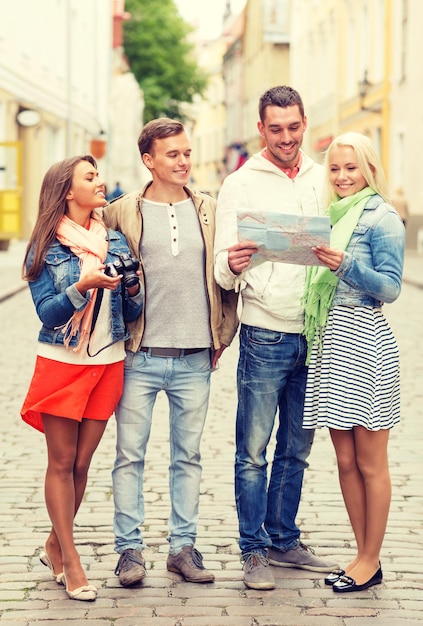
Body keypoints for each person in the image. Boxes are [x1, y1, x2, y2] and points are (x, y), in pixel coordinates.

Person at [102, 117, 239, 588]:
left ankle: (183, 547)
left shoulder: (211, 209)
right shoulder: (120, 212)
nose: (184, 161)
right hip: (139, 355)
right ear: (149, 160)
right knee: (128, 456)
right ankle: (128, 551)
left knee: (188, 456)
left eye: (186, 152)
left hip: (195, 357)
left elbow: (226, 273)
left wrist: (222, 333)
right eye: (173, 154)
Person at [214, 85, 338, 590]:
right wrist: (233, 264)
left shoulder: (323, 177)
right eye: (275, 128)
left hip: (316, 331)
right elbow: (221, 269)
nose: (286, 138)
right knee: (253, 449)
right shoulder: (239, 184)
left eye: (293, 127)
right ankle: (253, 549)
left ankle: (284, 538)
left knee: (297, 448)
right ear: (260, 129)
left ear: (304, 123)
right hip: (266, 332)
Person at [20, 155, 143, 602]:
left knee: (82, 464)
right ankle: (71, 561)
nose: (101, 182)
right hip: (61, 362)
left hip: (107, 361)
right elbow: (48, 313)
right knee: (60, 462)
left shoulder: (115, 241)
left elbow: (133, 312)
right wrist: (83, 286)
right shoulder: (44, 246)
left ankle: (54, 545)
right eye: (90, 177)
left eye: (99, 175)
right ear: (67, 191)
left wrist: (131, 289)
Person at [302, 132, 405, 593]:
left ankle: (369, 557)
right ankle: (363, 554)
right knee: (344, 459)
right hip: (331, 342)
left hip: (365, 342)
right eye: (336, 169)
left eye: (352, 168)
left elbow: (390, 288)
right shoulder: (328, 216)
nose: (343, 177)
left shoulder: (383, 218)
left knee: (370, 460)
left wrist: (345, 265)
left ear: (370, 170)